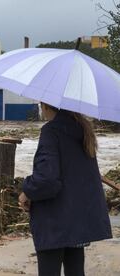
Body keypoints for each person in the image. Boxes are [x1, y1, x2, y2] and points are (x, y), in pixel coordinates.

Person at [19, 102, 112, 276]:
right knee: (75, 271)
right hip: (78, 219)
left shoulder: (51, 131)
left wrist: (27, 191)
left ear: (46, 106)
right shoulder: (83, 129)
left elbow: (47, 180)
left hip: (55, 219)